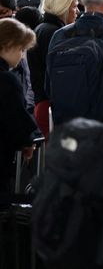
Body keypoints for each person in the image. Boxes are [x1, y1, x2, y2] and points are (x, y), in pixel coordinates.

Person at [27, 0, 78, 138]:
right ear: (63, 7)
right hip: (50, 106)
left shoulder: (43, 28)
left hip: (44, 103)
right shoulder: (54, 34)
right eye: (74, 6)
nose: (77, 11)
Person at [0, 18, 38, 196]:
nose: (22, 56)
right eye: (21, 49)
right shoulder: (7, 80)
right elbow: (17, 119)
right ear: (8, 44)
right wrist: (28, 141)